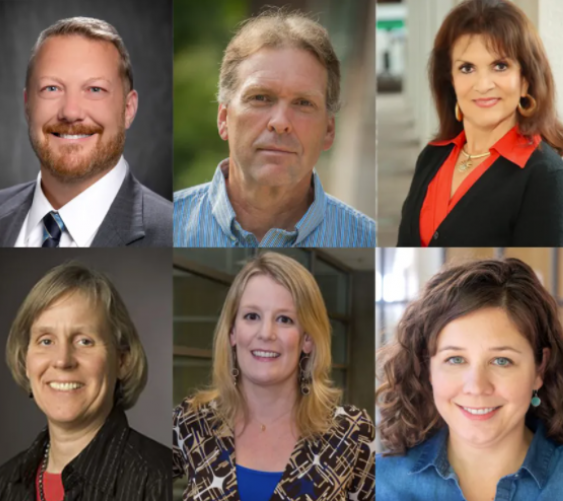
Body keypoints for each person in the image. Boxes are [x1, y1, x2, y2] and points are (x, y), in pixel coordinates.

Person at [376, 258, 563, 500]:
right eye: (455, 359)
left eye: (501, 361)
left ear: (540, 369)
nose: (476, 387)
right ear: (428, 368)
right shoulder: (380, 482)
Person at [172, 252, 375, 500]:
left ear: (307, 339)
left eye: (284, 319)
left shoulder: (351, 432)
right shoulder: (191, 422)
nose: (266, 333)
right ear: (233, 332)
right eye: (252, 316)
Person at [173, 11, 375, 248]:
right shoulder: (167, 225)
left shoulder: (367, 239)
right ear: (224, 118)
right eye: (260, 97)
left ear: (329, 130)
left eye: (303, 103)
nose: (280, 122)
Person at [396, 0, 563, 247]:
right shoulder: (431, 157)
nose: (483, 85)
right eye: (467, 68)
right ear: (450, 81)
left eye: (500, 66)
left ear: (525, 80)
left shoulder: (546, 176)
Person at [0, 262, 171, 500]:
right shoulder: (5, 482)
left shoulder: (160, 480)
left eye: (84, 341)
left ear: (122, 361)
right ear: (25, 359)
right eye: (46, 341)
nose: (62, 361)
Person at [0, 17, 172, 248]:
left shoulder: (170, 232)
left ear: (128, 109)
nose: (71, 112)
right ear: (27, 105)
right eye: (51, 88)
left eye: (95, 89)